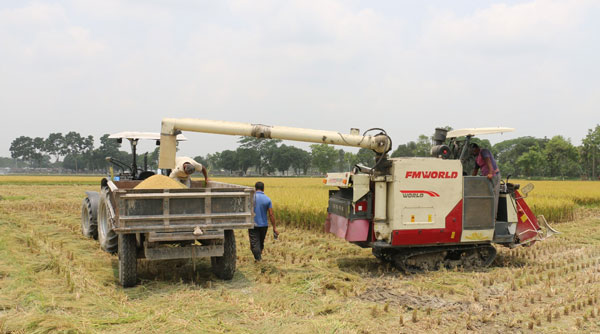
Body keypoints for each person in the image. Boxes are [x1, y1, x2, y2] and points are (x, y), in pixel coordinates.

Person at [249, 181, 279, 261]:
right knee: (260, 243)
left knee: (254, 245)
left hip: (253, 224)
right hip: (264, 225)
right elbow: (271, 214)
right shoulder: (267, 199)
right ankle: (259, 258)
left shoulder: (251, 198)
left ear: (255, 188)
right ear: (263, 188)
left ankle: (259, 260)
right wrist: (274, 227)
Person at [471, 143, 501, 217]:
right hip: (487, 178)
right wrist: (471, 179)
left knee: (493, 195)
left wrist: (490, 173)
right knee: (487, 195)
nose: (473, 152)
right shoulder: (477, 158)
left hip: (494, 176)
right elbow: (475, 170)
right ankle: (486, 215)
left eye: (474, 150)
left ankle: (493, 217)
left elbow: (488, 161)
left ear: (478, 148)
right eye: (472, 151)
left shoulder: (484, 151)